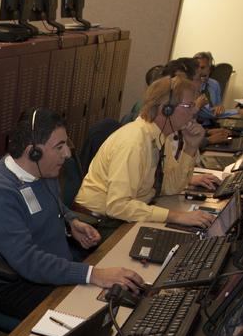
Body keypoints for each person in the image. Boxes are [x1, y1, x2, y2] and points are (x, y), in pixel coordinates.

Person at [0, 108, 145, 319]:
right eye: (59, 147)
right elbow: (28, 262)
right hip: (16, 285)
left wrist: (72, 221)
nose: (68, 154)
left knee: (120, 299)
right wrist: (93, 274)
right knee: (99, 315)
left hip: (52, 265)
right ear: (33, 152)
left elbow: (55, 204)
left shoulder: (44, 171)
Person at [74, 76, 222, 227]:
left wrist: (190, 148)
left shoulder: (160, 136)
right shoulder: (134, 142)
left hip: (124, 218)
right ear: (166, 109)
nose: (195, 111)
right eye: (189, 106)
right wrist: (176, 216)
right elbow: (118, 206)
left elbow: (170, 188)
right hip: (98, 226)